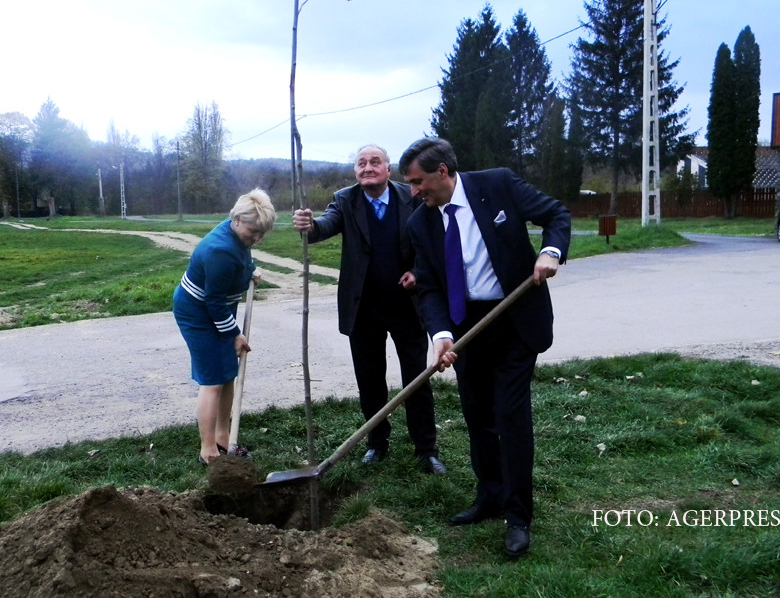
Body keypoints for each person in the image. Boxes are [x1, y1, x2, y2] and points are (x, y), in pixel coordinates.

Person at [398, 137, 571, 557]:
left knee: (509, 416)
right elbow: (429, 287)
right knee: (477, 416)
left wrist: (550, 251)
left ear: (442, 172)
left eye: (418, 181)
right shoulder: (419, 224)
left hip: (513, 319)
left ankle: (518, 515)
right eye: (409, 184)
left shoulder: (497, 185)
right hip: (465, 325)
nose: (414, 191)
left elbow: (555, 214)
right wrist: (440, 335)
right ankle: (490, 495)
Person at [292, 144, 446, 474]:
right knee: (370, 380)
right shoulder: (346, 200)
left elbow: (436, 239)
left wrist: (418, 273)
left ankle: (427, 448)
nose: (367, 168)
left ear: (388, 170)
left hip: (407, 307)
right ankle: (377, 444)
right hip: (363, 310)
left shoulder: (413, 196)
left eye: (375, 162)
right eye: (361, 163)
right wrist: (310, 225)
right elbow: (326, 225)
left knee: (416, 379)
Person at [173, 189, 276, 466]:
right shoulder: (219, 250)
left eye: (261, 234)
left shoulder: (236, 233)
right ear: (237, 220)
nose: (256, 239)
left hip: (217, 310)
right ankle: (208, 450)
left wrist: (250, 268)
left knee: (227, 373)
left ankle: (223, 437)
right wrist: (235, 334)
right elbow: (214, 302)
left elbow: (242, 255)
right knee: (212, 380)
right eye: (253, 232)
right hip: (199, 313)